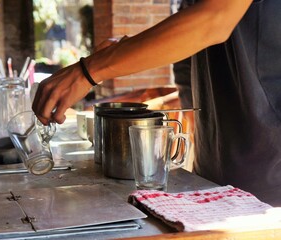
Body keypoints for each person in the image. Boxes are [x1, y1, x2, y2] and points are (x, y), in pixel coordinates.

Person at [32, 0, 281, 206]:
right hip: (215, 171)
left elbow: (214, 19)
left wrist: (88, 71)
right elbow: (188, 56)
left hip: (271, 179)